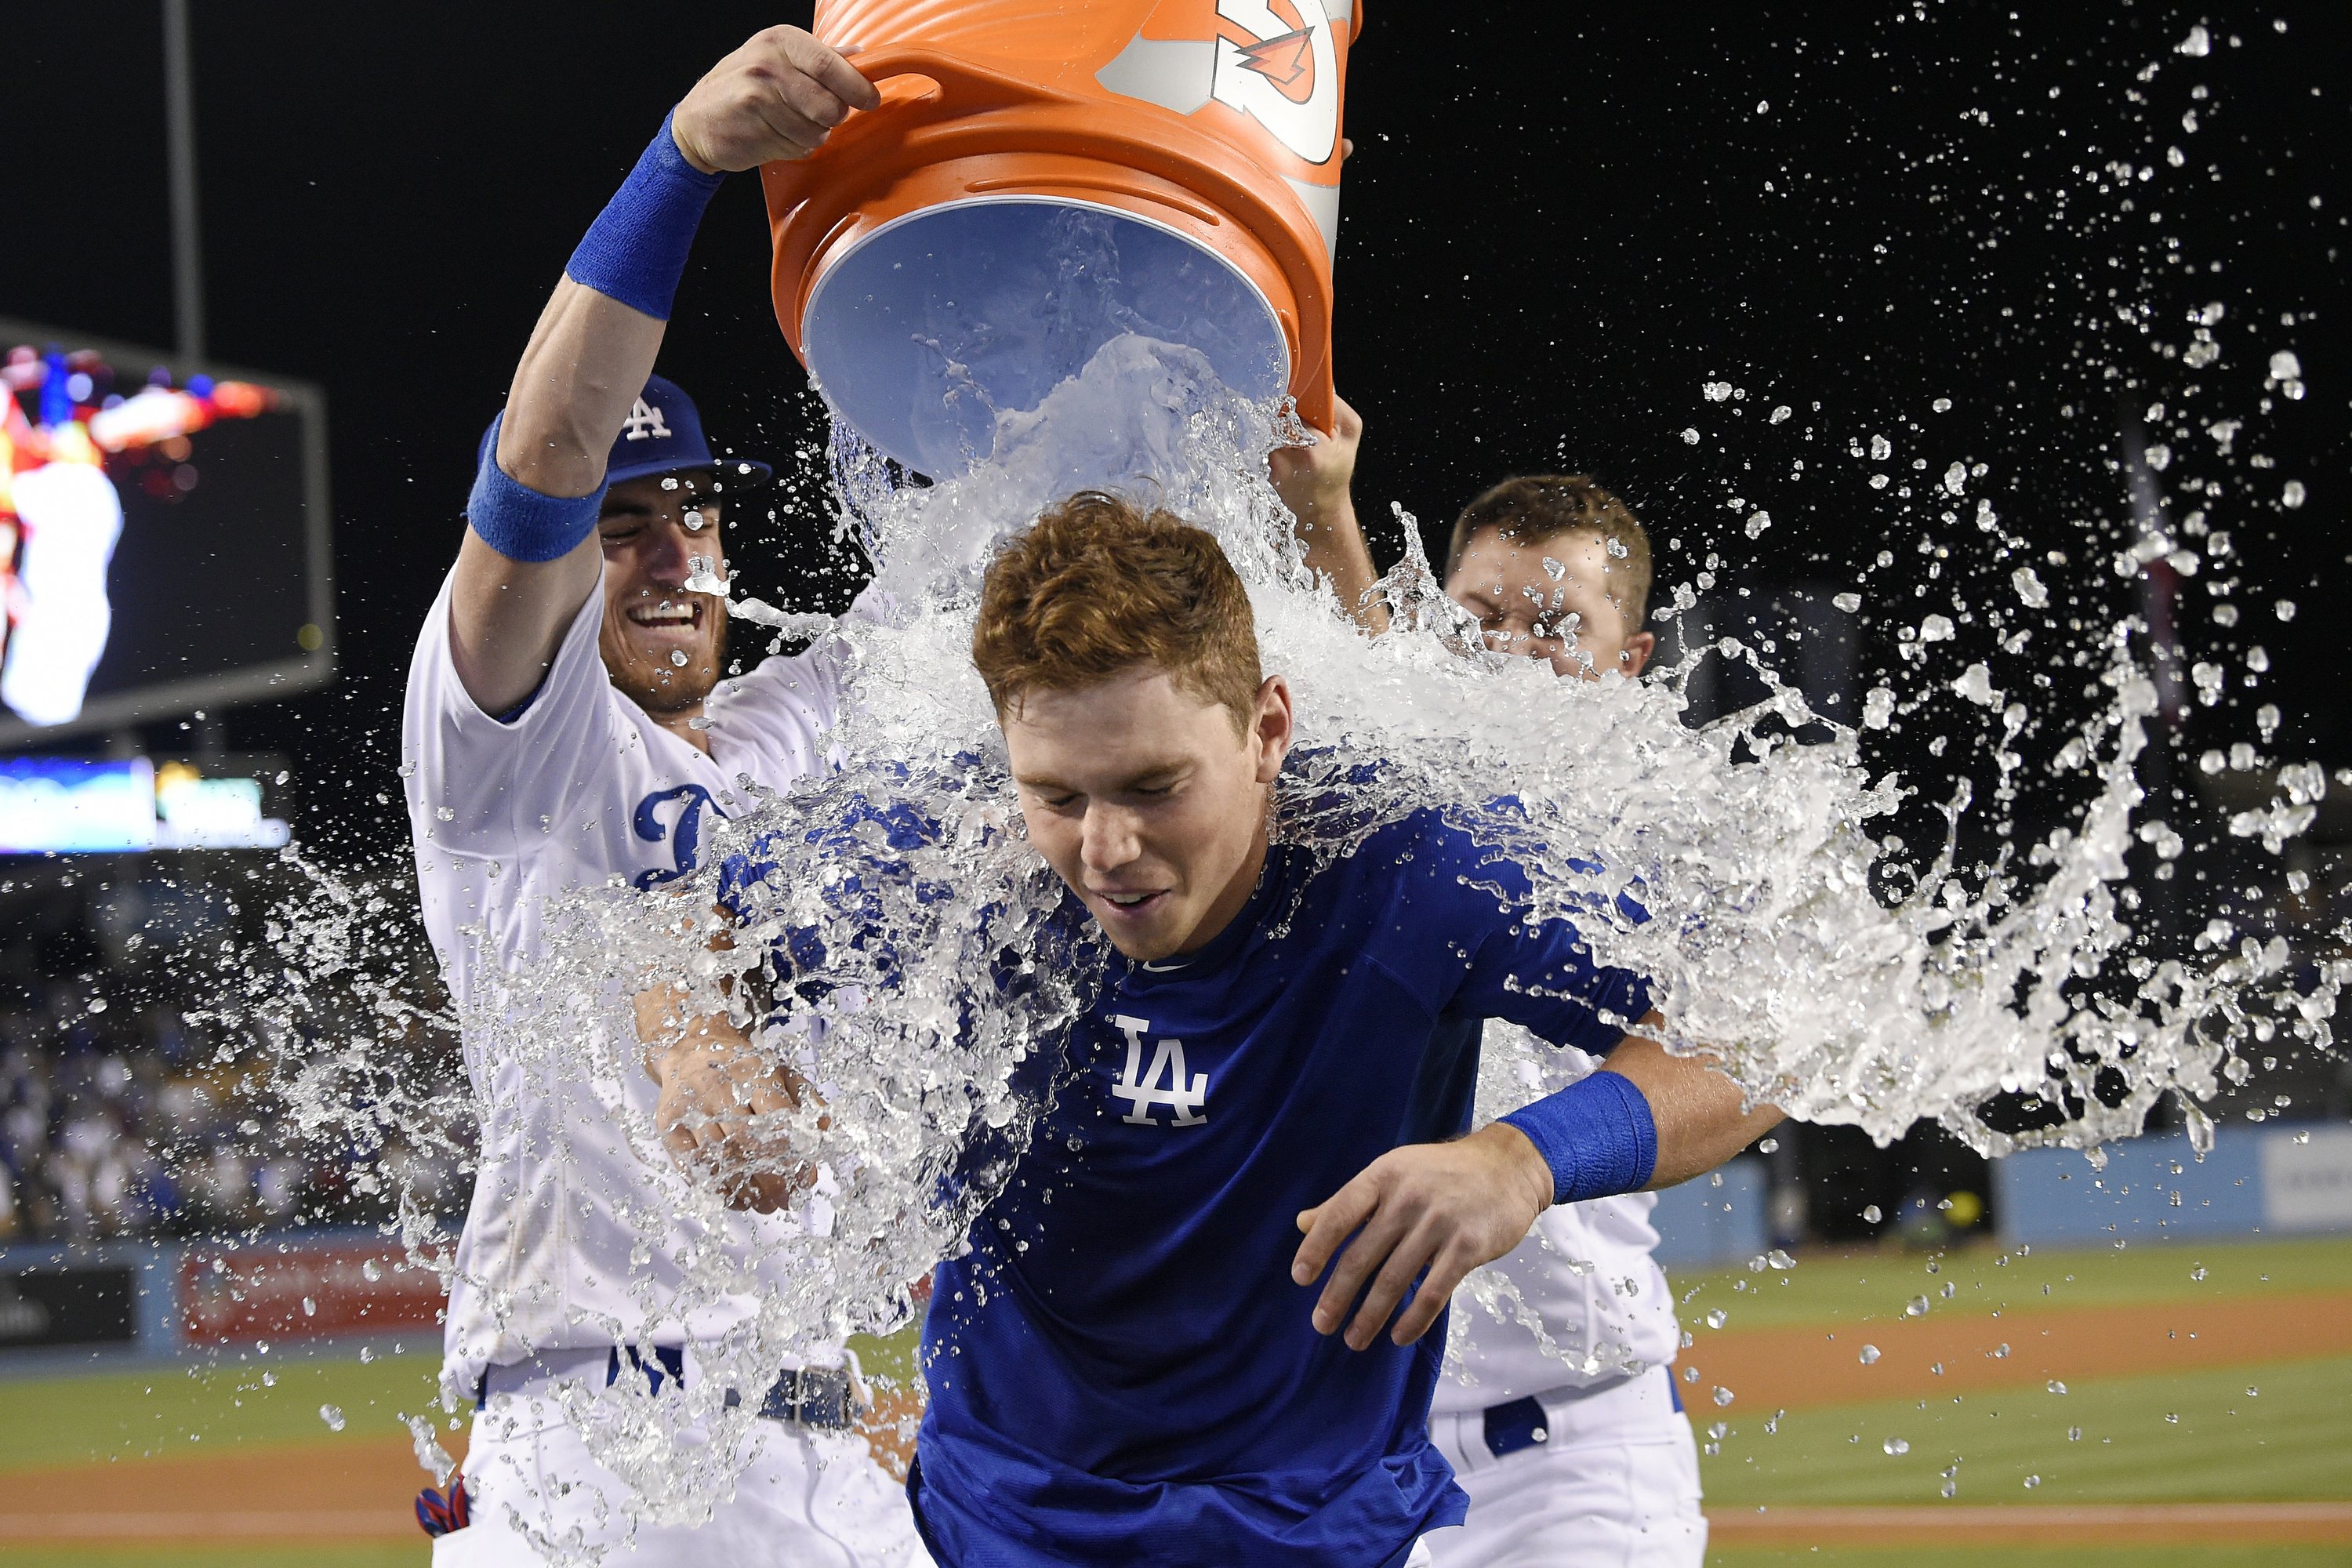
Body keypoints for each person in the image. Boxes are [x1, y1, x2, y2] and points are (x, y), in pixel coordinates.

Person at [655, 491, 1781, 1567]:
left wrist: (1526, 1158)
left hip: (1322, 1533)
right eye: (1057, 796)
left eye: (1154, 787)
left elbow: (1763, 1031)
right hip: (1007, 1526)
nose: (1105, 849)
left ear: (1268, 729)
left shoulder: (1408, 866)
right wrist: (701, 1047)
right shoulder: (951, 856)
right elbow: (674, 930)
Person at [399, 26, 925, 1565]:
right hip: (593, 1453)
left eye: (689, 509)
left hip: (816, 1442)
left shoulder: (797, 731)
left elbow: (996, 543)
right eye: (620, 524)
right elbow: (542, 452)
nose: (669, 550)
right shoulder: (508, 739)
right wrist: (684, 164)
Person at [1276, 423, 1708, 1566]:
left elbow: (1750, 1056)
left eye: (1558, 626)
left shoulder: (1674, 835)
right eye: (1480, 621)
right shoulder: (1403, 809)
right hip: (1341, 1463)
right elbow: (1375, 698)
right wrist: (1326, 507)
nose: (1512, 651)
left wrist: (1520, 1157)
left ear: (1632, 659)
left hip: (1564, 1468)